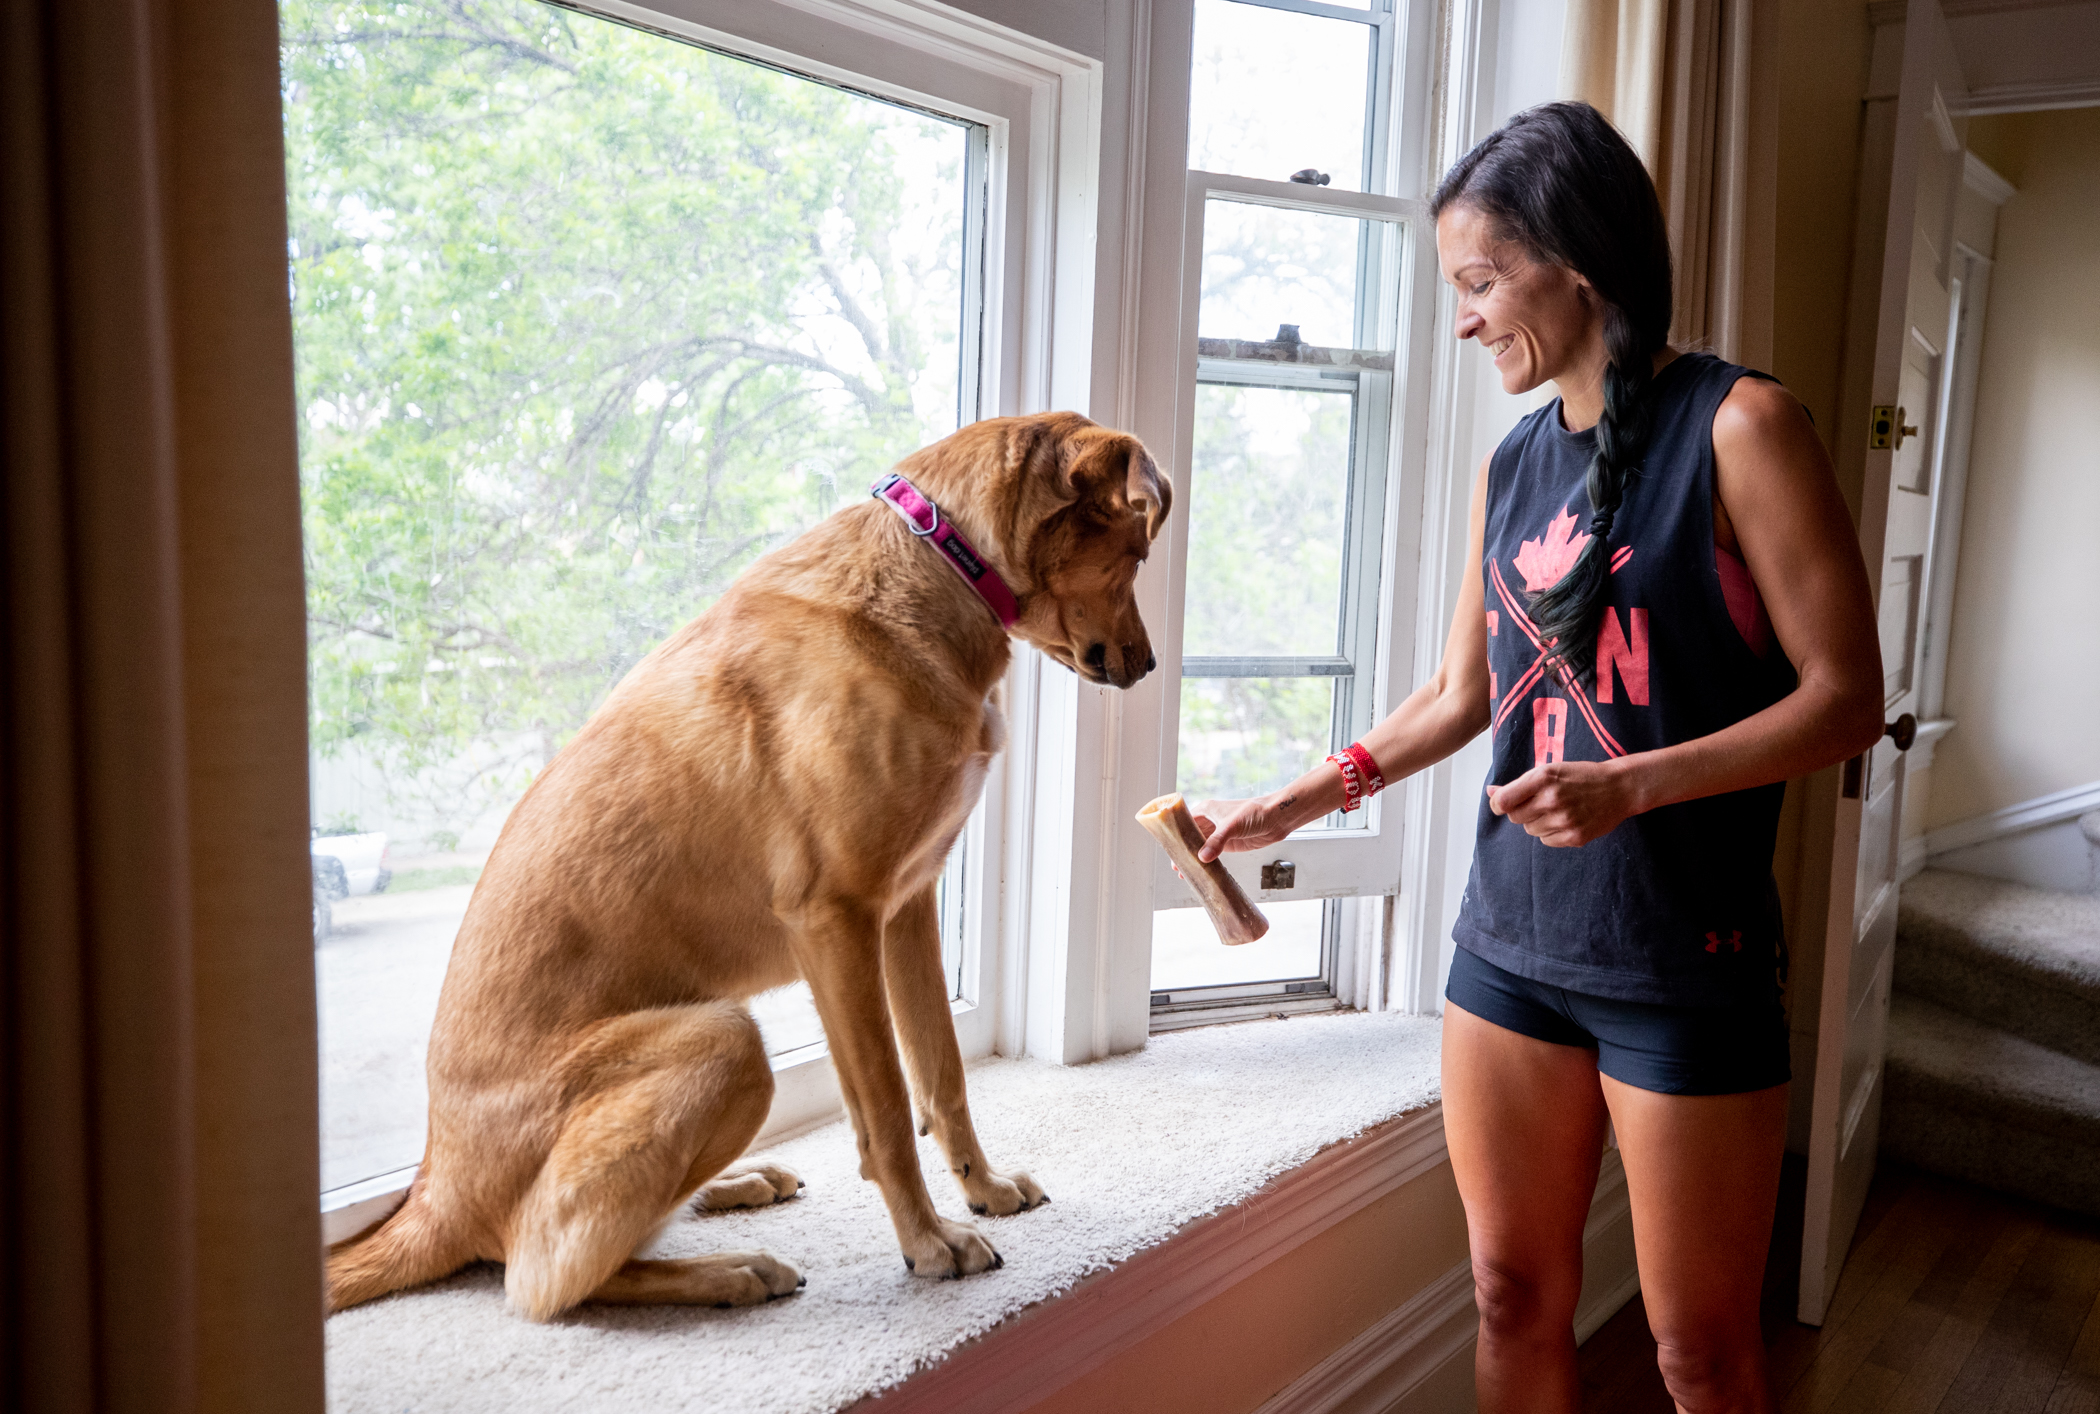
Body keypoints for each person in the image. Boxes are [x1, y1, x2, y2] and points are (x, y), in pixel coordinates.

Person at [1192, 101, 1884, 1414]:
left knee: (1700, 1355)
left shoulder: (1742, 430)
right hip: (1508, 948)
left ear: (1575, 262)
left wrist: (1633, 782)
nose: (1463, 319)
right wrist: (1312, 788)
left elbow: (1847, 700)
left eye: (1479, 282)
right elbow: (1464, 689)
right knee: (1511, 1296)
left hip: (1683, 964)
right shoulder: (1513, 464)